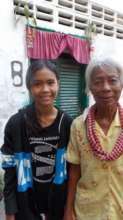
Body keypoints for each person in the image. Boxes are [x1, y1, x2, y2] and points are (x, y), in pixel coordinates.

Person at [64, 57, 123, 220]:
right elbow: (74, 173)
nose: (106, 88)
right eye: (98, 82)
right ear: (90, 88)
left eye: (113, 81)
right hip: (88, 213)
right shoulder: (79, 126)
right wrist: (68, 211)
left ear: (121, 86)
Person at [1, 59, 72, 220]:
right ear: (29, 87)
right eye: (37, 84)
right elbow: (10, 171)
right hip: (25, 207)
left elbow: (74, 170)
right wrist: (10, 212)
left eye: (50, 82)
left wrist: (70, 208)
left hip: (58, 206)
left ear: (58, 84)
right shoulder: (16, 124)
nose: (45, 89)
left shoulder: (68, 124)